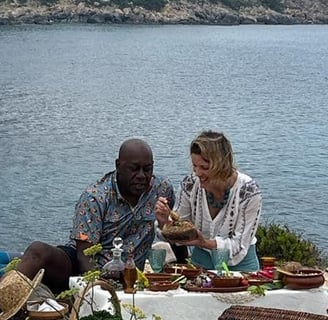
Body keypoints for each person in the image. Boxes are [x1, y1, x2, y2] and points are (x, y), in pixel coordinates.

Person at [16, 138, 175, 293]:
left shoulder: (161, 189)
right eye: (134, 169)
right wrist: (99, 290)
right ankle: (7, 301)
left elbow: (175, 229)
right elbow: (85, 255)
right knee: (38, 251)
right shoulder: (95, 198)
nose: (141, 175)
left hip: (129, 271)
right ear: (118, 166)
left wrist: (167, 226)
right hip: (82, 266)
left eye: (147, 169)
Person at [155, 130, 262, 271]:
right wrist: (164, 221)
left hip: (241, 268)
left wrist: (204, 243)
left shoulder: (249, 192)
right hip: (200, 265)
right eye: (195, 166)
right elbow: (179, 229)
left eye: (204, 167)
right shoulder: (190, 184)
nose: (197, 173)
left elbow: (239, 245)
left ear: (222, 165)